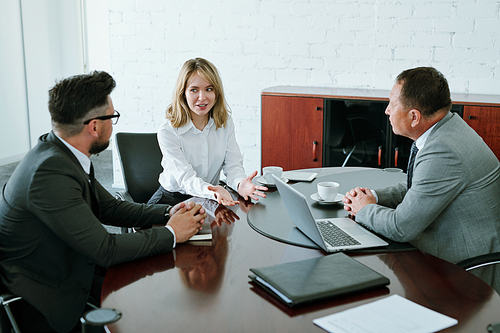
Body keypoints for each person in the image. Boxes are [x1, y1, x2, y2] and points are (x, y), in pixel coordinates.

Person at [0, 71, 207, 333]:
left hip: (73, 266)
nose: (114, 122)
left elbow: (109, 207)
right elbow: (105, 248)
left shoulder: (61, 151)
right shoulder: (48, 174)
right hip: (47, 299)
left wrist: (167, 212)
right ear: (95, 127)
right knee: (154, 310)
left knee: (163, 296)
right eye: (113, 116)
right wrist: (172, 233)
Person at [343, 67, 500, 264]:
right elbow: (419, 185)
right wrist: (373, 197)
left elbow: (401, 228)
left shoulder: (444, 150)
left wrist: (364, 209)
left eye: (392, 104)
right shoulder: (448, 127)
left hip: (465, 267)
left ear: (414, 117)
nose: (387, 110)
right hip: (453, 241)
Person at [148, 58, 267, 207]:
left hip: (210, 198)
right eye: (194, 90)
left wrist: (239, 183)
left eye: (209, 89)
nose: (202, 97)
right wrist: (212, 191)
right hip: (171, 200)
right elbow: (185, 178)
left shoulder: (225, 123)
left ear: (216, 92)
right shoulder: (168, 131)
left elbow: (233, 165)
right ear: (183, 93)